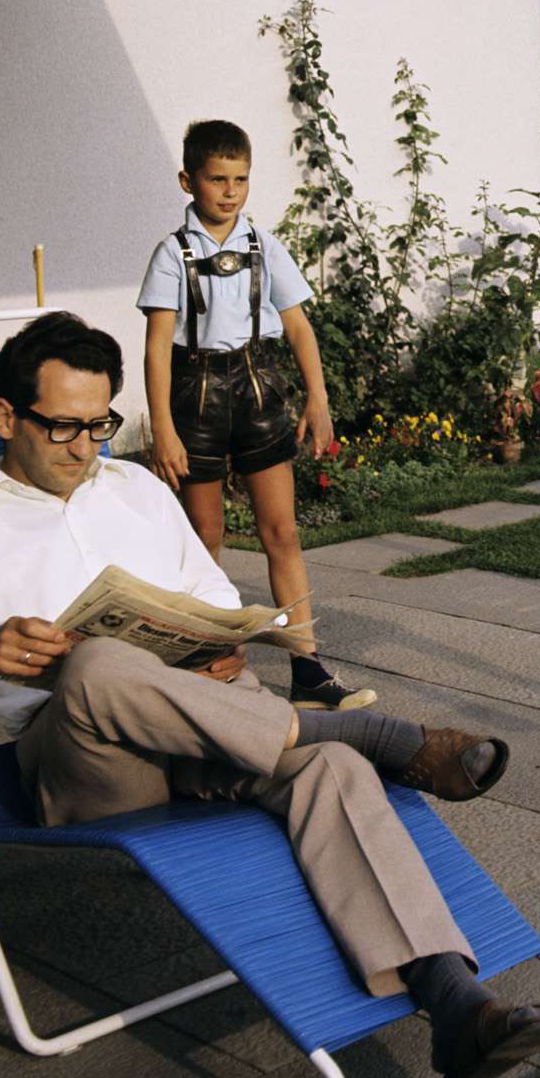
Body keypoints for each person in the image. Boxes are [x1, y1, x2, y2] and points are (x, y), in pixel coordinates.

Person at [0, 312, 540, 1078]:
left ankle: (455, 1003)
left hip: (214, 720)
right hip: (93, 767)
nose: (83, 447)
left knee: (330, 769)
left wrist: (218, 641)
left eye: (98, 425)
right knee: (95, 665)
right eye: (62, 427)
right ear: (6, 417)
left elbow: (211, 598)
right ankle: (379, 732)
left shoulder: (135, 490)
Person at [138, 119, 368, 710]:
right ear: (189, 180)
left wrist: (318, 399)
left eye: (240, 179)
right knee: (204, 537)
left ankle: (308, 669)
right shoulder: (173, 254)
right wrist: (162, 427)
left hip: (259, 388)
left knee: (282, 532)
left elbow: (298, 326)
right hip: (197, 394)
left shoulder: (265, 246)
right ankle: (205, 663)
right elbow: (157, 348)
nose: (230, 191)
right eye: (218, 179)